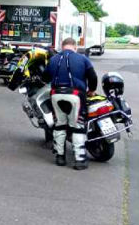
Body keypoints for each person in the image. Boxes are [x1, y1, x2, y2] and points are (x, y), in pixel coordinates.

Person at [42, 37, 98, 170]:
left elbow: (45, 78)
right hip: (75, 95)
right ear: (75, 47)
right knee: (78, 126)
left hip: (56, 95)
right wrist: (91, 90)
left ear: (62, 46)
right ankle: (79, 160)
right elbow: (93, 77)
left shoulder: (53, 59)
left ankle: (60, 157)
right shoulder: (83, 59)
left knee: (59, 125)